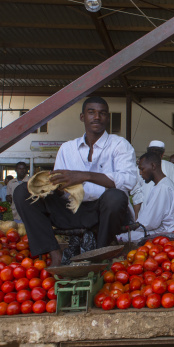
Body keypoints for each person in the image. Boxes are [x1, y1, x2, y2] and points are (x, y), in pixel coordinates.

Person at [13, 96, 137, 266]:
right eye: (91, 112)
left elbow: (129, 180)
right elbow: (60, 187)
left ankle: (100, 255)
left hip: (105, 213)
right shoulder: (67, 148)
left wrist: (85, 175)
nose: (97, 117)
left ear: (107, 118)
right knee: (22, 192)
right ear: (82, 117)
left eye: (102, 113)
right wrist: (52, 185)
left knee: (116, 196)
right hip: (72, 210)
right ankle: (54, 252)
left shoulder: (119, 145)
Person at [119, 152, 174, 243]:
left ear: (153, 166)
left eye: (142, 169)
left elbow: (149, 223)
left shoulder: (162, 187)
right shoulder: (163, 184)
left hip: (163, 234)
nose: (140, 173)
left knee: (120, 237)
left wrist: (128, 227)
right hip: (161, 231)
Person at [131, 140, 174, 219]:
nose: (141, 173)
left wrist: (136, 217)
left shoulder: (140, 167)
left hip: (145, 216)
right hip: (166, 218)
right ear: (163, 154)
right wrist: (173, 209)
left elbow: (137, 195)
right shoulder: (171, 166)